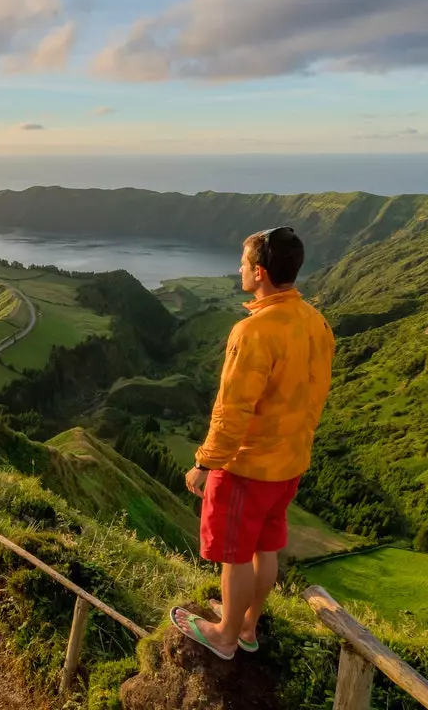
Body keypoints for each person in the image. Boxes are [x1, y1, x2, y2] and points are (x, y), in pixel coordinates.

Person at [170, 226, 335, 660]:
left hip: (247, 467)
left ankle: (225, 635)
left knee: (235, 555)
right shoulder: (316, 323)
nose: (238, 269)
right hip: (290, 463)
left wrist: (205, 464)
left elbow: (232, 409)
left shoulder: (254, 331)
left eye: (242, 263)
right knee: (267, 547)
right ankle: (246, 625)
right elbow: (316, 393)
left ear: (259, 272)